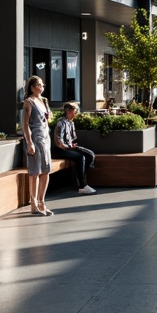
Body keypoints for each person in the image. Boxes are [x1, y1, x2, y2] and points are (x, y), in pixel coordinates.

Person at [22, 75, 53, 215]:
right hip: (36, 138)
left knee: (46, 170)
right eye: (39, 85)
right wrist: (30, 143)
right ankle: (33, 204)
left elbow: (48, 120)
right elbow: (25, 124)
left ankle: (42, 202)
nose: (42, 87)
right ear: (32, 87)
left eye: (42, 84)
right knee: (35, 172)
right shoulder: (29, 102)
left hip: (46, 138)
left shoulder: (43, 101)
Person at [52, 102, 97, 194]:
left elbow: (71, 139)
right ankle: (82, 185)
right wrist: (69, 146)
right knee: (80, 157)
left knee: (90, 154)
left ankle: (81, 179)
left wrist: (72, 145)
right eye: (74, 111)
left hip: (68, 147)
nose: (75, 114)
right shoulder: (61, 124)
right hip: (59, 150)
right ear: (68, 111)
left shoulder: (71, 123)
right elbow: (58, 143)